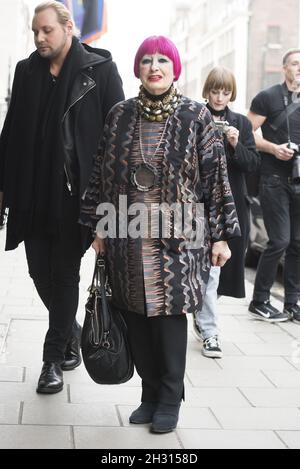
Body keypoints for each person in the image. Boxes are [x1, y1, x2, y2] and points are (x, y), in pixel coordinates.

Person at [80, 36, 240, 434]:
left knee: (168, 319)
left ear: (174, 69)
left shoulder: (195, 115)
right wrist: (99, 227)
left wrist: (220, 237)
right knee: (135, 315)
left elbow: (215, 178)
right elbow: (101, 170)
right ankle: (148, 394)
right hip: (126, 230)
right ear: (138, 69)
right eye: (147, 60)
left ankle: (170, 398)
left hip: (179, 236)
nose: (154, 66)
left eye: (162, 61)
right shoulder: (119, 114)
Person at [0, 1, 124, 394]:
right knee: (39, 272)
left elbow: (116, 143)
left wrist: (109, 211)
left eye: (47, 30)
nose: (39, 38)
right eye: (35, 32)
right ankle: (71, 331)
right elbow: (11, 133)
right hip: (31, 194)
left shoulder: (99, 71)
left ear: (68, 27)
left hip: (76, 198)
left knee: (65, 273)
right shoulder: (26, 71)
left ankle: (52, 360)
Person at [193, 67, 260, 358]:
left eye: (225, 91)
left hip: (232, 206)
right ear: (206, 91)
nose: (220, 97)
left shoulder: (241, 123)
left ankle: (201, 312)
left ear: (232, 93)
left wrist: (234, 144)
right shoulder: (195, 116)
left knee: (221, 271)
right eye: (215, 91)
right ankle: (209, 330)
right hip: (201, 204)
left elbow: (252, 164)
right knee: (209, 271)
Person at [247, 49, 300, 324]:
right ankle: (259, 301)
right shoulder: (268, 96)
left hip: (299, 181)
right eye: (295, 63)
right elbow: (247, 132)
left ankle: (292, 303)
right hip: (273, 180)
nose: (299, 68)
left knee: (298, 244)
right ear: (284, 68)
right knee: (279, 240)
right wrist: (273, 148)